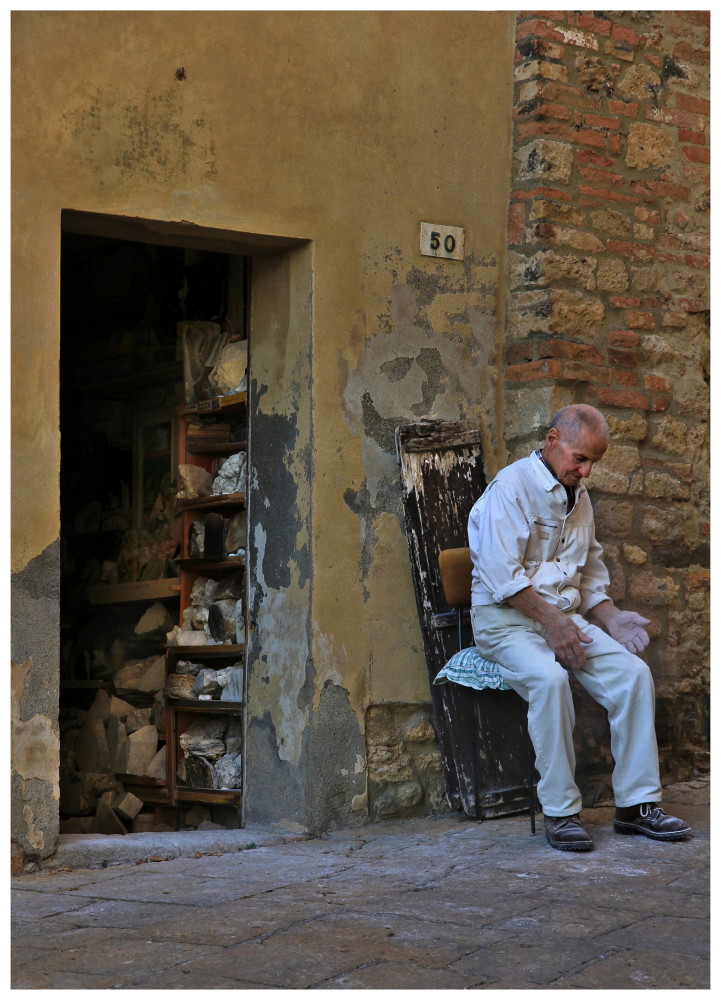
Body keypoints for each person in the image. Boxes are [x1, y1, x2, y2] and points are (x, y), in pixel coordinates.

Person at [468, 404, 691, 851]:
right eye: (579, 458)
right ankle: (561, 812)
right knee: (551, 680)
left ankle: (636, 806)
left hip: (561, 619)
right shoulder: (509, 490)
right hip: (506, 621)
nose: (586, 471)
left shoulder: (579, 497)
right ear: (552, 440)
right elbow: (501, 576)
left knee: (632, 675)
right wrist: (553, 623)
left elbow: (587, 572)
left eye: (593, 462)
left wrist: (610, 617)